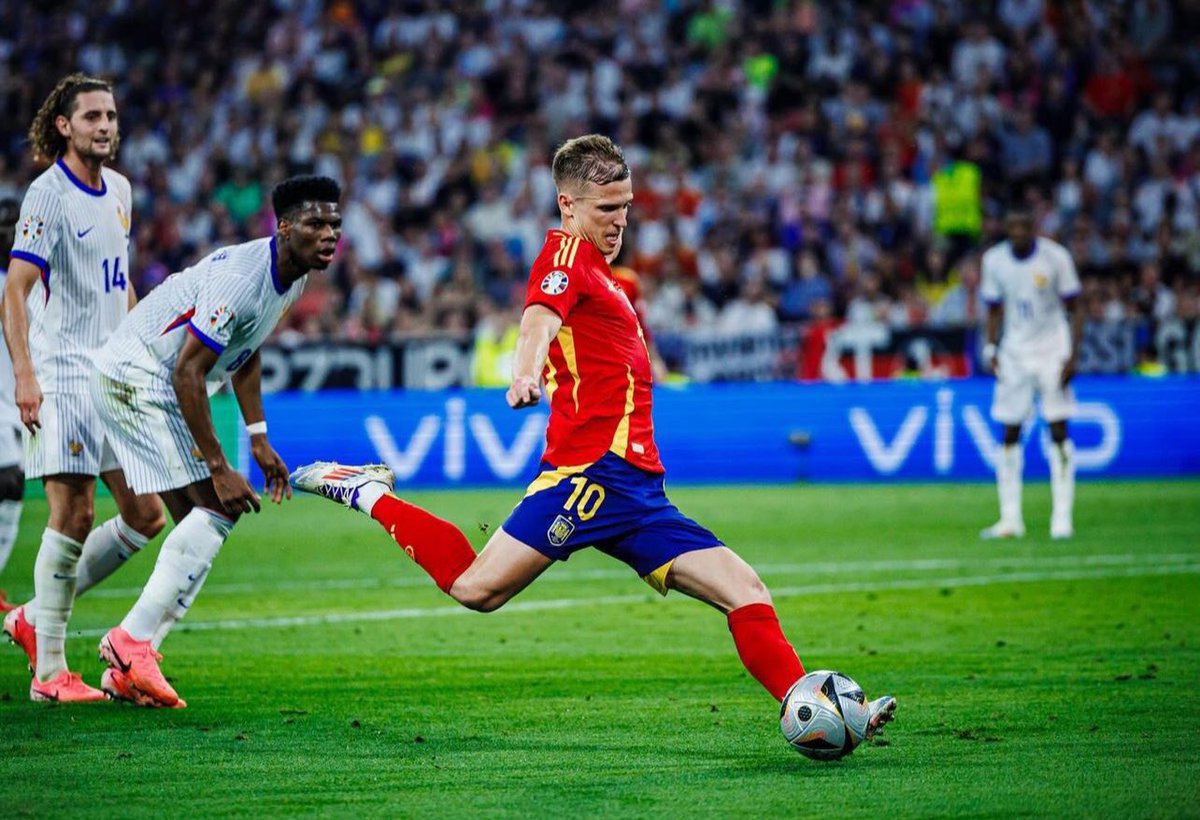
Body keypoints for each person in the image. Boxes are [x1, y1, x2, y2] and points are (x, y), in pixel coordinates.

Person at [289, 135, 896, 739]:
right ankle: (366, 491)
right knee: (477, 589)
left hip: (638, 491)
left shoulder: (607, 277)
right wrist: (525, 370)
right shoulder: (564, 259)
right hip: (588, 476)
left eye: (626, 206)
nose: (619, 221)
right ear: (567, 205)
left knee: (745, 589)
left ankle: (820, 712)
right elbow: (537, 320)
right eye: (606, 209)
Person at [88, 175, 342, 707]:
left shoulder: (291, 275)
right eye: (317, 223)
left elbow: (245, 350)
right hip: (138, 376)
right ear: (285, 226)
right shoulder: (242, 279)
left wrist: (258, 436)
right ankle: (130, 642)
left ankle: (130, 664)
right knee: (215, 509)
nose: (329, 235)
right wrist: (219, 464)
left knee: (201, 522)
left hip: (154, 379)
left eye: (335, 224)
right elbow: (188, 372)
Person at [2, 74, 165, 702]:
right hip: (63, 374)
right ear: (64, 126)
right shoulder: (47, 196)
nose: (105, 125)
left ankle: (28, 618)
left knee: (145, 514)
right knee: (75, 512)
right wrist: (25, 374)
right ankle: (49, 673)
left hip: (110, 372)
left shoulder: (119, 189)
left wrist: (141, 343)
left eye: (112, 115)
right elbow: (15, 291)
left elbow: (116, 280)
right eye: (92, 116)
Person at [980, 208, 1083, 539]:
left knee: (1058, 429)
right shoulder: (994, 261)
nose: (1018, 232)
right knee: (1009, 431)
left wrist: (1072, 354)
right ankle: (1010, 518)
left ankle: (1062, 518)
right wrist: (990, 347)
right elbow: (993, 309)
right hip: (1014, 352)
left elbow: (1075, 305)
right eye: (1012, 226)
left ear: (1033, 228)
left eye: (1023, 226)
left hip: (1052, 349)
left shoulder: (1055, 258)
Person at [0, 198, 26, 612]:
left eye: (14, 224)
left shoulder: (23, 283)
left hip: (14, 400)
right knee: (9, 481)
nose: (9, 231)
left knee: (11, 484)